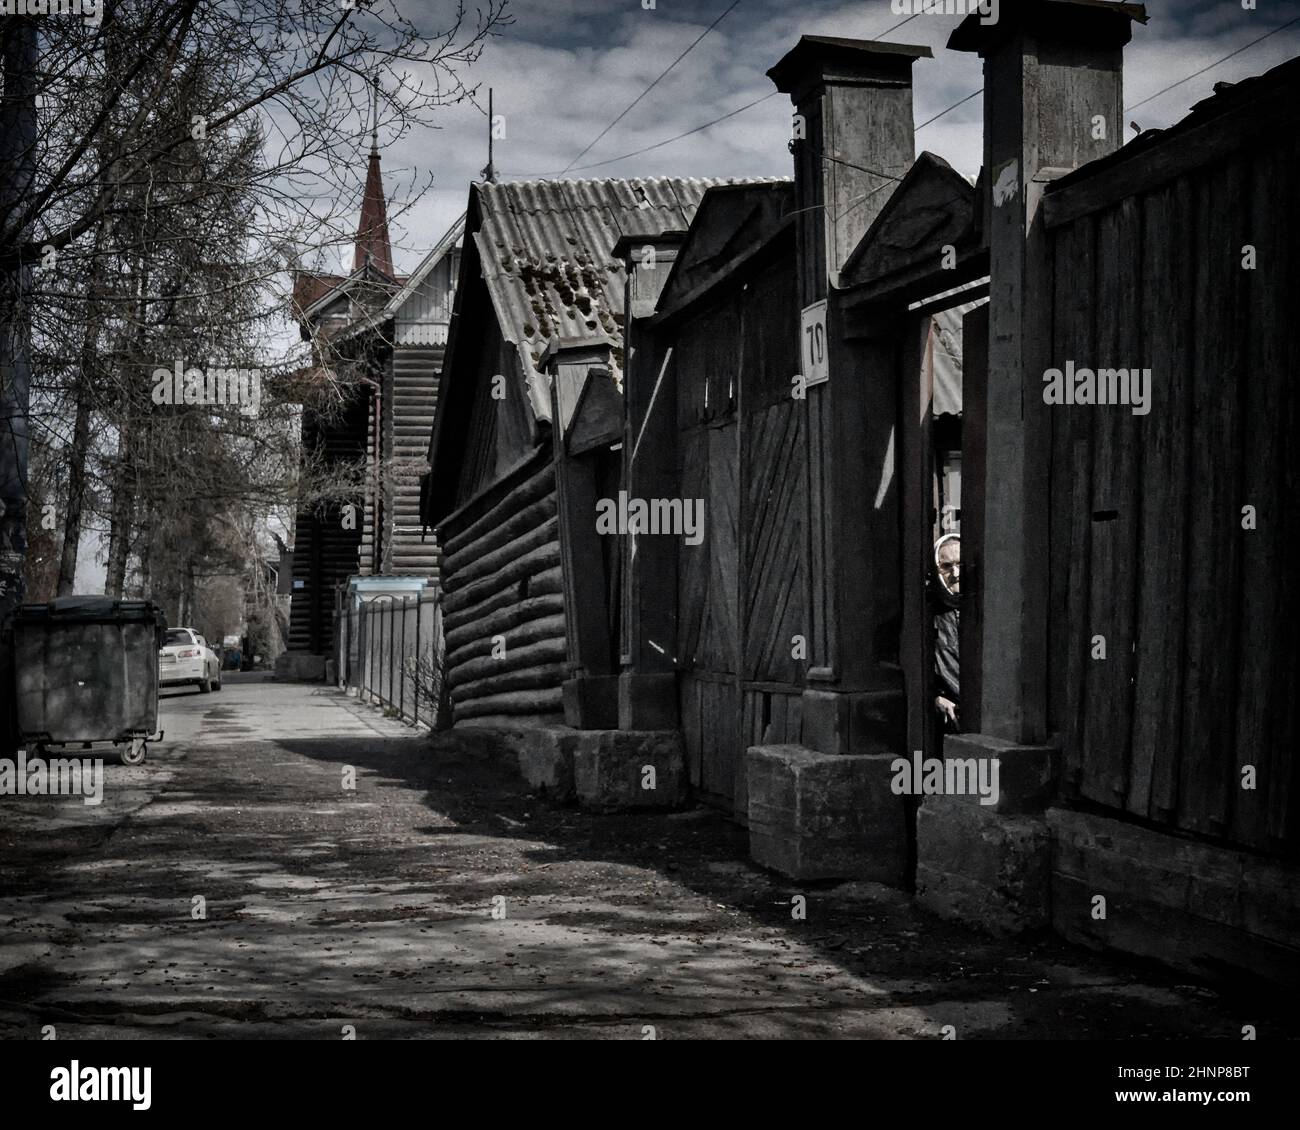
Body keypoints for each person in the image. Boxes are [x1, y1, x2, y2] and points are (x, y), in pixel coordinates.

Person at [933, 533, 961, 730]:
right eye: (947, 566)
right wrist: (935, 698)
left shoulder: (993, 609)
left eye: (960, 564)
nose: (956, 573)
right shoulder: (930, 615)